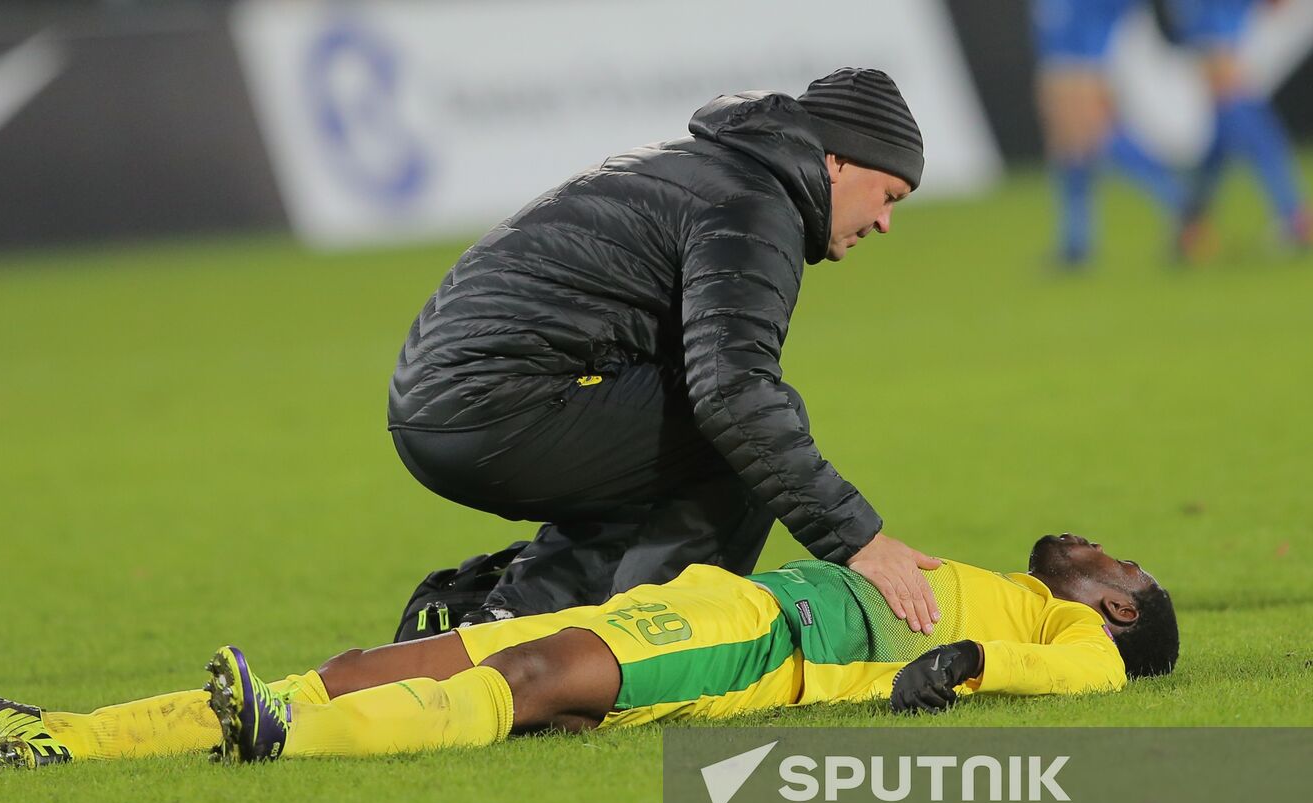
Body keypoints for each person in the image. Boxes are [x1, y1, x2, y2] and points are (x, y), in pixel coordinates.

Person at [387, 67, 944, 637]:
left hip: (440, 401)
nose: (885, 222)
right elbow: (734, 394)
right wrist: (861, 541)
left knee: (689, 430)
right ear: (838, 161)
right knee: (747, 435)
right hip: (492, 406)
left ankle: (502, 620)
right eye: (888, 196)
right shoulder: (753, 204)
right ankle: (645, 646)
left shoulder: (705, 169)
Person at [0, 532, 1178, 767]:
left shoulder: (1069, 631)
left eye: (1124, 562)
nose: (1099, 548)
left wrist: (958, 670)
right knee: (387, 660)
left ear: (1119, 605)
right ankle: (60, 737)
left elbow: (1086, 680)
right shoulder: (1001, 580)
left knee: (524, 685)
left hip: (775, 644)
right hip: (717, 602)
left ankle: (283, 732)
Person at [1029, 0, 1192, 264]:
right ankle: (1076, 242)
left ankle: (1180, 200)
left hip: (1082, 52)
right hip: (1060, 46)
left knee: (1088, 133)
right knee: (1068, 142)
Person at [1168, 0, 1310, 250]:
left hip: (1217, 35)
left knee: (1230, 117)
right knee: (1236, 120)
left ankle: (1192, 225)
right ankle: (1293, 215)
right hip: (1211, 33)